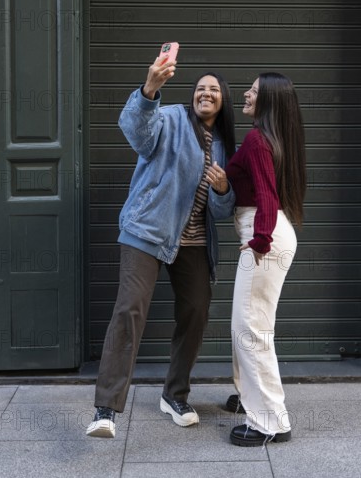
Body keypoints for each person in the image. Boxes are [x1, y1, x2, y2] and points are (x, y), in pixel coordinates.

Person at [86, 55, 236, 438]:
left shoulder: (223, 145)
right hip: (148, 230)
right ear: (192, 96)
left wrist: (222, 189)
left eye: (214, 89)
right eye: (200, 87)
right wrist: (149, 89)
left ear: (223, 101)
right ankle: (106, 409)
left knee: (197, 310)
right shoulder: (169, 117)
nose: (206, 93)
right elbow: (135, 131)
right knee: (130, 310)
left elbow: (220, 210)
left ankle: (174, 394)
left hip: (193, 242)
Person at [223, 72, 306, 447]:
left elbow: (267, 197)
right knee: (245, 322)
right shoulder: (270, 137)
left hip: (265, 237)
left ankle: (271, 422)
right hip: (269, 234)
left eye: (253, 91)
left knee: (250, 328)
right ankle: (249, 396)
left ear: (268, 101)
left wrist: (259, 240)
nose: (246, 93)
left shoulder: (258, 139)